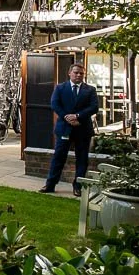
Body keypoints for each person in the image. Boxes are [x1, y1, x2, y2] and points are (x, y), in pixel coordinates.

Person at [43, 62, 99, 195]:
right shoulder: (60, 88)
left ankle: (78, 186)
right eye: (76, 72)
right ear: (69, 73)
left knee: (82, 159)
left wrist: (77, 116)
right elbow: (55, 104)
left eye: (81, 73)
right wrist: (66, 117)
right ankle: (50, 184)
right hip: (64, 128)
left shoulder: (90, 90)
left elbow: (94, 107)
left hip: (82, 129)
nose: (78, 75)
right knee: (58, 157)